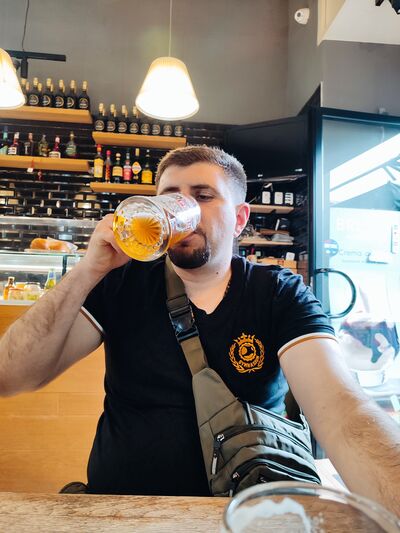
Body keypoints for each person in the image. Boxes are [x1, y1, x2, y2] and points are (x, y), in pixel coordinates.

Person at [0, 146, 399, 514]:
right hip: (121, 512)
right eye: (170, 196)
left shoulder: (278, 293)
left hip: (242, 516)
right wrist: (89, 269)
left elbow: (343, 412)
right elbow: (10, 376)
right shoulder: (123, 282)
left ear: (239, 219)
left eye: (203, 196)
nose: (182, 209)